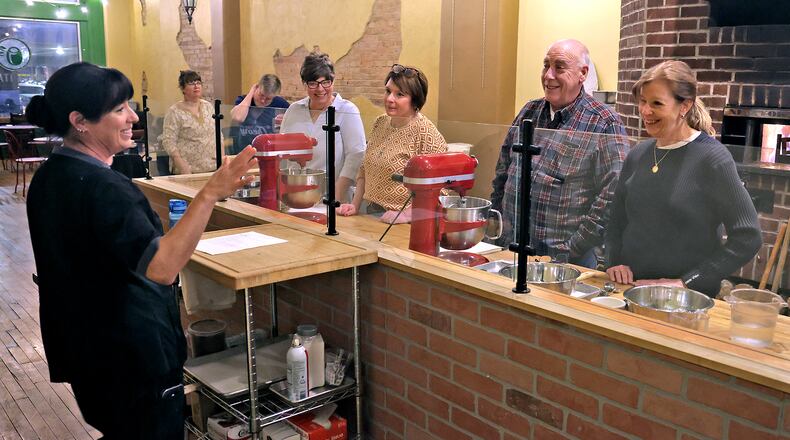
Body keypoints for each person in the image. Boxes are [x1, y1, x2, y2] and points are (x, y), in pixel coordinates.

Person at [25, 62, 256, 438]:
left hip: (85, 351)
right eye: (119, 110)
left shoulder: (50, 176)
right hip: (128, 358)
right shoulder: (106, 189)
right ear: (80, 120)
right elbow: (162, 267)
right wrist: (211, 193)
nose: (133, 116)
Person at [605, 60, 761, 297]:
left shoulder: (713, 158)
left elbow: (748, 237)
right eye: (643, 101)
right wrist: (614, 261)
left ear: (684, 106)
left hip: (685, 299)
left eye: (657, 103)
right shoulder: (638, 153)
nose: (646, 111)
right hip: (629, 289)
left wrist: (688, 282)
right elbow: (616, 219)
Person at [490, 39, 628, 267]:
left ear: (583, 73)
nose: (548, 75)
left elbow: (613, 195)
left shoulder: (604, 123)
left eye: (559, 67)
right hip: (513, 249)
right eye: (546, 66)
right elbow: (503, 170)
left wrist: (574, 246)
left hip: (567, 262)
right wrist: (497, 221)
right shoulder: (529, 112)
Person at [338, 64, 447, 223]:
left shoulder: (426, 133)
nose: (389, 99)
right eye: (388, 91)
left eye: (399, 94)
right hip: (371, 212)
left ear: (415, 100)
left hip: (406, 221)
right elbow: (364, 171)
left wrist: (406, 215)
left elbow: (440, 189)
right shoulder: (380, 123)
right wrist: (354, 205)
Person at [280, 51, 366, 203]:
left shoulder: (347, 110)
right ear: (304, 84)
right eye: (313, 83)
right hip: (294, 194)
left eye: (326, 82)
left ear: (333, 80)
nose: (320, 89)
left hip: (332, 197)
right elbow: (282, 153)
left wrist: (336, 196)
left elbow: (356, 156)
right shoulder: (294, 110)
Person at [160, 70, 220, 174]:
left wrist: (222, 160)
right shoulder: (174, 111)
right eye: (191, 83)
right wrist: (181, 165)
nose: (196, 86)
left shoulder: (208, 107)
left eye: (198, 82)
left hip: (212, 167)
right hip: (188, 169)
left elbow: (218, 135)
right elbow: (168, 141)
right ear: (183, 88)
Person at [229, 73, 289, 154]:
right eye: (261, 95)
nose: (263, 100)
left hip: (268, 152)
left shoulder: (280, 103)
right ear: (257, 87)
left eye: (268, 98)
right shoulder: (243, 100)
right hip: (244, 151)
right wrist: (251, 92)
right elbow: (238, 117)